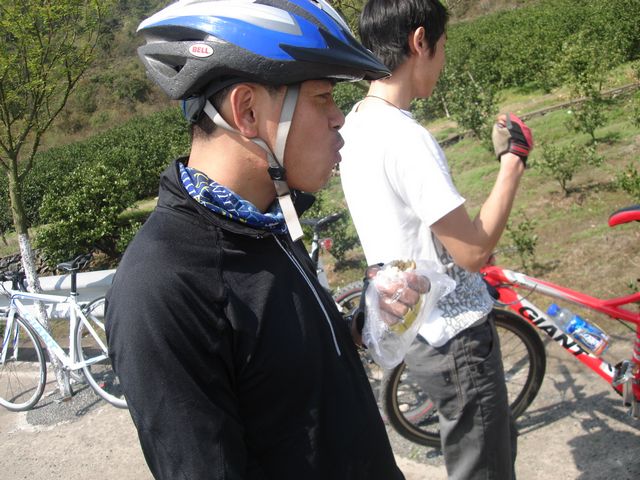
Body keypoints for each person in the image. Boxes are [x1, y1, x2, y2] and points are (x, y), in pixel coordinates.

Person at [105, 1, 429, 479]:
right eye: (323, 98)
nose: (339, 118)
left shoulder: (264, 222)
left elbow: (279, 372)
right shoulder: (162, 289)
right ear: (248, 111)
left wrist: (361, 327)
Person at [339, 1, 534, 479]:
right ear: (420, 40)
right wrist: (513, 161)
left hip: (417, 333)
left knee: (484, 452)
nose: (443, 62)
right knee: (485, 469)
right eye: (442, 46)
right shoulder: (406, 137)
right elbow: (473, 253)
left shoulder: (354, 124)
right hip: (454, 337)